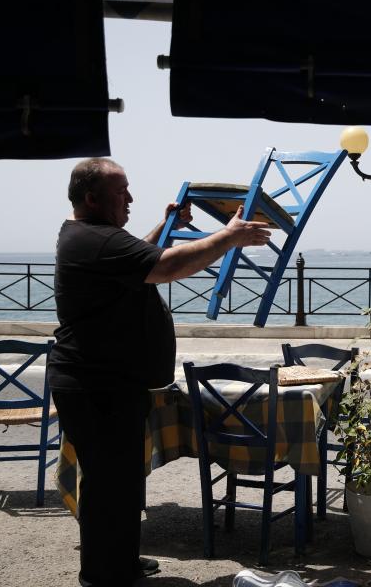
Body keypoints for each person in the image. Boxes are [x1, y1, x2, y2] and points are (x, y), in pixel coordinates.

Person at [47, 157, 270, 586]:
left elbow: (139, 256)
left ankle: (122, 562)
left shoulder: (95, 238)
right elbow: (166, 266)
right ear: (92, 199)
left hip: (113, 383)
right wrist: (228, 236)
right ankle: (101, 575)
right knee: (107, 485)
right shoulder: (91, 240)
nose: (130, 198)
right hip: (95, 386)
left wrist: (163, 225)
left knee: (123, 481)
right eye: (120, 192)